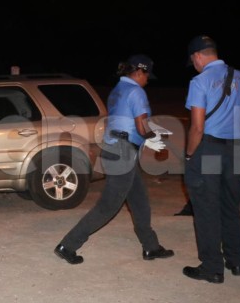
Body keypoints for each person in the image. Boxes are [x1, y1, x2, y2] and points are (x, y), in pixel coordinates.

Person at [54, 54, 174, 264]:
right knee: (107, 207)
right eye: (147, 75)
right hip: (123, 152)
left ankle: (151, 247)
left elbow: (126, 123)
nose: (148, 80)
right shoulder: (136, 91)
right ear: (139, 72)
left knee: (140, 202)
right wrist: (156, 139)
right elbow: (140, 126)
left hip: (115, 149)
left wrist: (148, 136)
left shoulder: (118, 90)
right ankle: (68, 245)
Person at [183, 35, 240, 283]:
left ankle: (212, 268)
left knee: (207, 210)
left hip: (209, 150)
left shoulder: (199, 81)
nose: (195, 65)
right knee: (230, 208)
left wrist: (189, 156)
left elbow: (197, 128)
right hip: (237, 152)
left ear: (198, 56)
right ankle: (236, 262)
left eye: (193, 61)